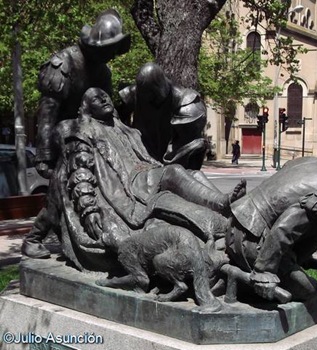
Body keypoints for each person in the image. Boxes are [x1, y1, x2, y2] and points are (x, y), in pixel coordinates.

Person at [51, 88, 246, 271]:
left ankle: (229, 210)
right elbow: (80, 171)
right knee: (173, 172)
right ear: (87, 108)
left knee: (194, 174)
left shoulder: (126, 130)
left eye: (105, 95)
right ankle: (222, 203)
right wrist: (88, 209)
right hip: (127, 185)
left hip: (145, 173)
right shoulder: (84, 132)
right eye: (96, 98)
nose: (104, 99)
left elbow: (146, 159)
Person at [21, 9, 131, 259]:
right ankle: (34, 238)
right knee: (61, 186)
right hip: (65, 138)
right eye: (109, 48)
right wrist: (44, 154)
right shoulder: (64, 63)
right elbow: (48, 111)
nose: (111, 55)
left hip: (89, 137)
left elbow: (106, 111)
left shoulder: (103, 72)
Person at [226, 139, 317, 301]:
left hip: (236, 224)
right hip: (252, 242)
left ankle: (298, 258)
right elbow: (284, 228)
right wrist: (264, 271)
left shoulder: (306, 161)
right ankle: (254, 274)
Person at [118, 62, 207, 170]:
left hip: (172, 160)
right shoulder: (134, 94)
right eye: (144, 92)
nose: (148, 97)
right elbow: (117, 121)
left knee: (196, 144)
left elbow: (186, 143)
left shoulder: (186, 102)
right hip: (141, 152)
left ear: (159, 87)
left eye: (151, 92)